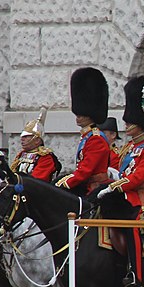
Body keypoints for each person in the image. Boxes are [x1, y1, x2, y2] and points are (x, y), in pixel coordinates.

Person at [96, 75, 144, 287]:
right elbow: (120, 170)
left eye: (130, 121)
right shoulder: (130, 147)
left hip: (141, 199)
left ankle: (136, 273)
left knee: (131, 224)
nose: (126, 124)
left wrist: (113, 186)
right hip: (123, 195)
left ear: (141, 124)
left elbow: (137, 178)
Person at [55, 67, 110, 195]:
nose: (78, 116)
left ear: (90, 114)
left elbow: (86, 170)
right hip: (85, 185)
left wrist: (65, 183)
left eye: (82, 114)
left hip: (95, 188)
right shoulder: (87, 136)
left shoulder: (96, 139)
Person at [10, 107, 62, 182]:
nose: (22, 139)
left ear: (37, 140)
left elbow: (37, 181)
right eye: (22, 136)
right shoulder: (21, 154)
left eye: (26, 136)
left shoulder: (45, 157)